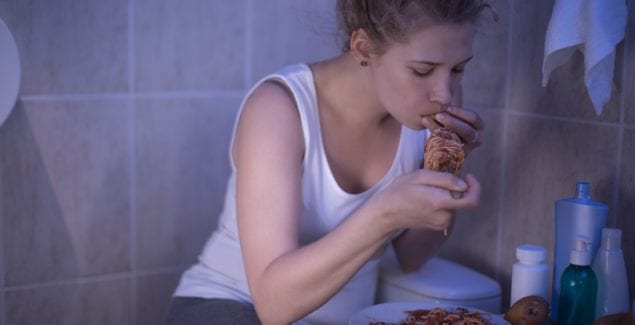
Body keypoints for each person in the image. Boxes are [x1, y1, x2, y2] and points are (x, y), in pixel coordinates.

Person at [166, 0, 492, 324]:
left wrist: (448, 175)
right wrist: (385, 214)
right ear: (363, 47)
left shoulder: (423, 118)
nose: (445, 94)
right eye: (423, 70)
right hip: (232, 306)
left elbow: (410, 257)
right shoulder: (280, 110)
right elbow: (273, 305)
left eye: (458, 69)